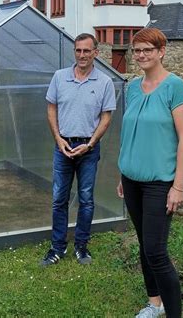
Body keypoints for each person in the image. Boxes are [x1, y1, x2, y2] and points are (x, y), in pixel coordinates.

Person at [117, 28, 183, 318]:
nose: (141, 55)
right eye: (136, 50)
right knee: (145, 245)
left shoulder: (175, 86)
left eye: (148, 49)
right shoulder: (133, 86)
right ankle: (154, 305)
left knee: (156, 251)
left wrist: (179, 186)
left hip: (160, 182)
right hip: (131, 179)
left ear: (161, 51)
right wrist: (122, 172)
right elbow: (130, 132)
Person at [41, 33, 116, 266]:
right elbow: (51, 108)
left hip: (89, 148)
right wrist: (58, 138)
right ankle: (57, 247)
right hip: (62, 146)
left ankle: (81, 247)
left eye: (86, 51)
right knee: (58, 198)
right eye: (78, 50)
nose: (82, 55)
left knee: (86, 199)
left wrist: (90, 144)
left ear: (95, 52)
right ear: (74, 52)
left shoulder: (104, 82)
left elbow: (106, 117)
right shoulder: (59, 77)